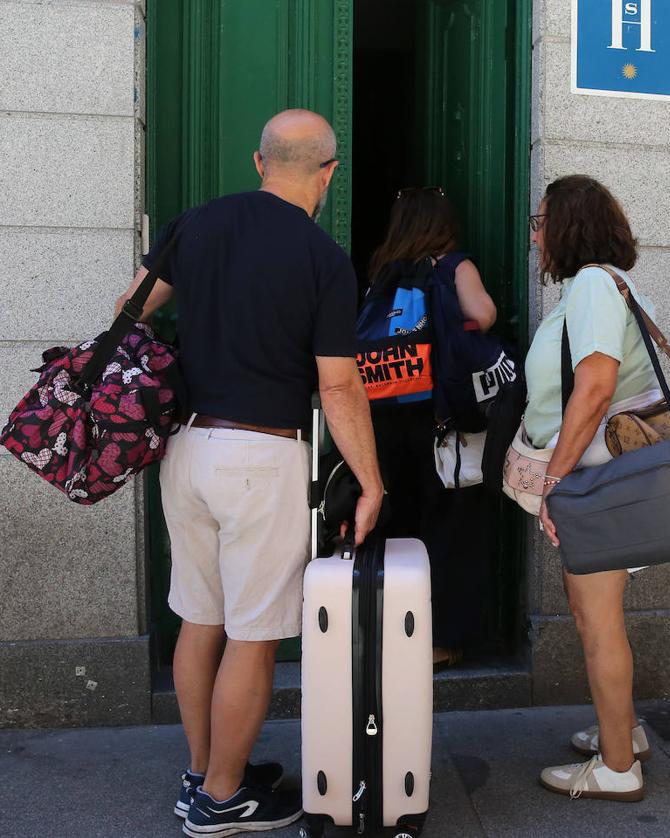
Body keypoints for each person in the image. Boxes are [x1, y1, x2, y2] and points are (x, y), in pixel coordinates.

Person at [113, 109, 383, 838]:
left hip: (188, 448)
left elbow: (129, 310)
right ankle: (223, 799)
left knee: (198, 621)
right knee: (254, 635)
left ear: (259, 162)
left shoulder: (195, 224)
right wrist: (372, 481)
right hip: (262, 456)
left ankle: (203, 776)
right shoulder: (324, 258)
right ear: (329, 173)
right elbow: (338, 386)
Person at [527, 175, 662, 802]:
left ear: (569, 225)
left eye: (542, 219)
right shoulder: (607, 286)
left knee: (598, 618)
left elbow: (597, 385)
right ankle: (623, 734)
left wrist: (554, 474)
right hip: (603, 473)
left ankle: (616, 768)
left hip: (596, 477)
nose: (535, 232)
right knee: (590, 613)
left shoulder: (591, 287)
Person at [363, 187, 497, 667]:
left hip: (385, 416)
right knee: (448, 527)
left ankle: (387, 628)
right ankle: (439, 640)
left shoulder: (383, 270)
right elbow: (483, 314)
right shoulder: (453, 265)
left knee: (394, 523)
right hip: (442, 418)